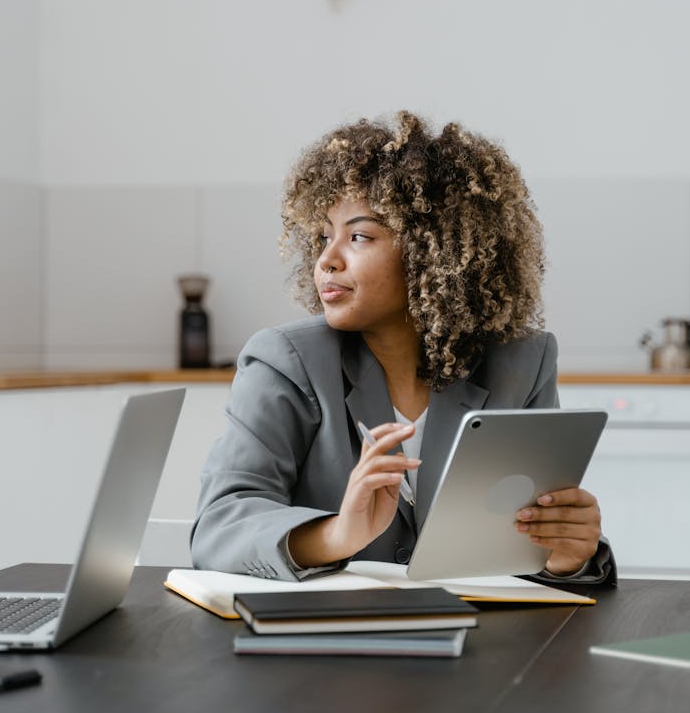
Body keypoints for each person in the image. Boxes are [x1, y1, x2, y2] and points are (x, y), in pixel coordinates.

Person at [191, 111, 615, 585]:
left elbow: (530, 539)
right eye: (323, 236)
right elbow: (220, 525)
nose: (326, 260)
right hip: (328, 642)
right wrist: (335, 535)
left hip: (477, 643)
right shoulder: (285, 361)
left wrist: (566, 555)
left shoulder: (522, 362)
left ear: (434, 251)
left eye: (358, 236)